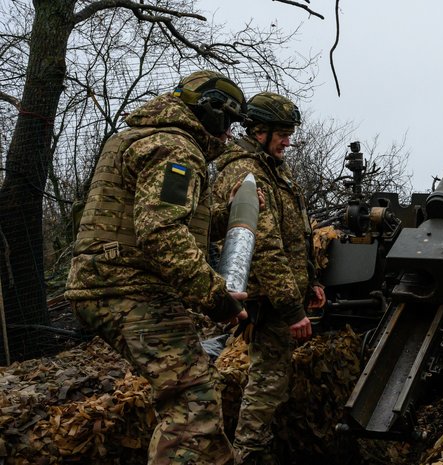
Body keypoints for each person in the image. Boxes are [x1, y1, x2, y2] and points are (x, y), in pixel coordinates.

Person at [65, 70, 249, 465]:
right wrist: (217, 298)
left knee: (192, 395)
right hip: (130, 288)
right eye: (229, 122)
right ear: (212, 113)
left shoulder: (142, 137)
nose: (230, 133)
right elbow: (161, 234)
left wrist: (230, 213)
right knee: (192, 404)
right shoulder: (176, 149)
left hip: (109, 283)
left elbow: (164, 221)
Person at [211, 91, 325, 465]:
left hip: (284, 293)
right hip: (271, 300)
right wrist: (293, 309)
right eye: (284, 133)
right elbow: (262, 246)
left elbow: (297, 236)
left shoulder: (274, 168)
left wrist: (311, 283)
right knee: (267, 384)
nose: (289, 141)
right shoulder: (245, 171)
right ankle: (248, 454)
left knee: (272, 382)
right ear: (260, 131)